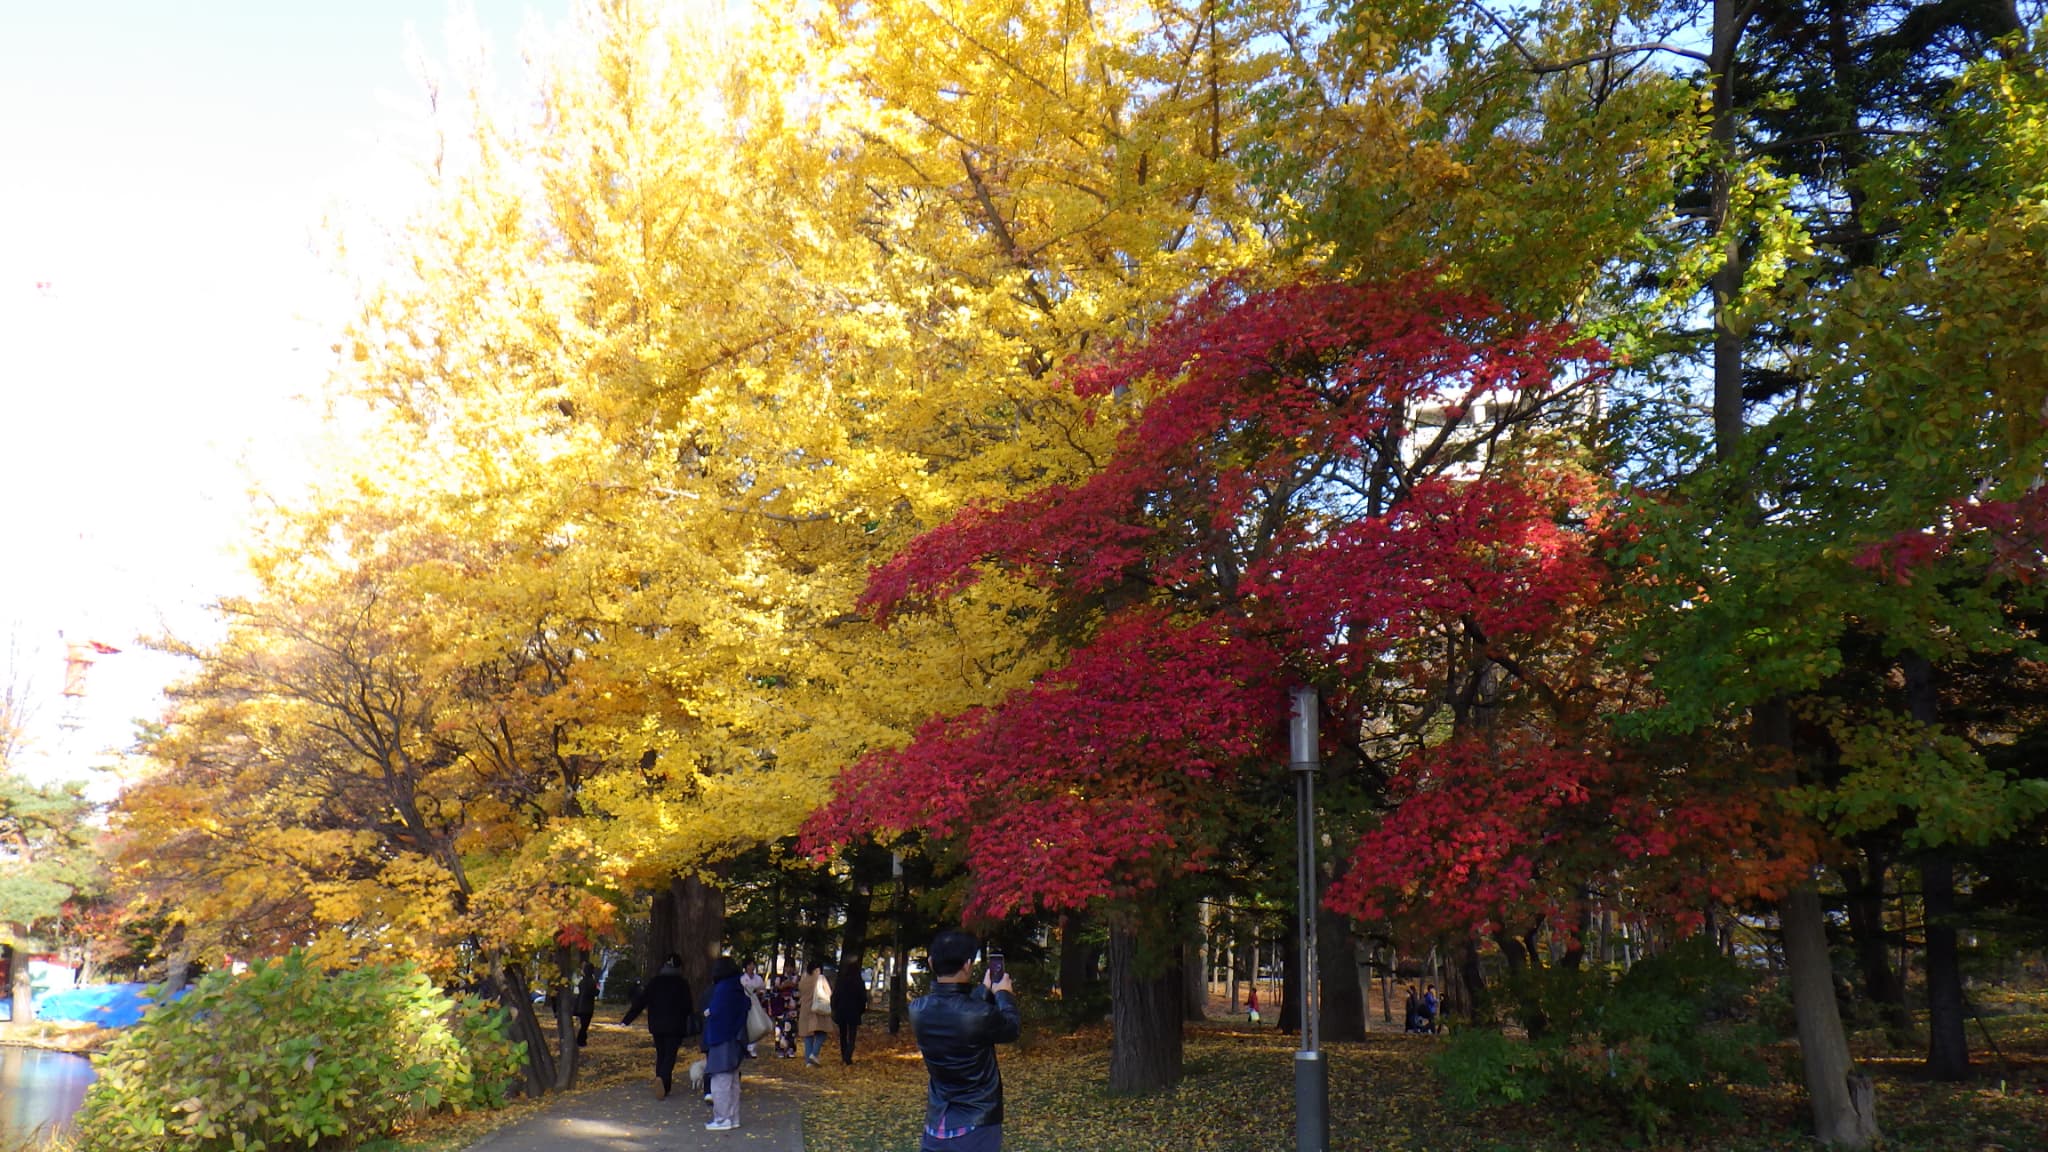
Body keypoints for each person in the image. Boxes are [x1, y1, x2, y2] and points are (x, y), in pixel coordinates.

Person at [910, 930, 1021, 1152]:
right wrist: (1003, 994)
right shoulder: (979, 1015)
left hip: (937, 1121)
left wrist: (985, 989)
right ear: (968, 965)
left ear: (931, 962)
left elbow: (956, 1009)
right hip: (976, 1123)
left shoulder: (917, 1010)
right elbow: (1011, 1028)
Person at [621, 953, 695, 1098]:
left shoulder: (655, 982)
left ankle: (663, 1085)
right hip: (675, 1026)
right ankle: (662, 1079)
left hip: (657, 1025)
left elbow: (641, 1002)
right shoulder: (682, 984)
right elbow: (687, 1006)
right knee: (670, 1056)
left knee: (661, 1054)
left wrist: (626, 1020)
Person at [701, 956, 751, 1131]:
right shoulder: (737, 986)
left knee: (720, 1080)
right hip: (735, 1039)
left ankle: (722, 1119)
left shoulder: (722, 989)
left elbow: (718, 1011)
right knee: (732, 1081)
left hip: (721, 1038)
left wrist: (709, 1013)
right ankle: (733, 1117)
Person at [832, 955, 870, 1065]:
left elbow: (835, 996)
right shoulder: (859, 982)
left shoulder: (841, 981)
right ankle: (848, 1054)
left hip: (841, 1010)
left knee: (842, 1034)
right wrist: (861, 1010)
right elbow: (863, 998)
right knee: (852, 1035)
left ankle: (844, 1055)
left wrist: (834, 1008)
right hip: (854, 1011)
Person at [797, 960, 832, 1067]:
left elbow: (800, 992)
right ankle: (814, 1054)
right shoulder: (820, 978)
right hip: (816, 1010)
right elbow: (829, 993)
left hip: (804, 1009)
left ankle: (808, 1061)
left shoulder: (803, 979)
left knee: (808, 1036)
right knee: (821, 1033)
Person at [575, 960, 600, 1047]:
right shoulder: (591, 982)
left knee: (583, 1024)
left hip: (580, 1006)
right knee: (584, 1026)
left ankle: (582, 1040)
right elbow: (595, 992)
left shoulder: (582, 982)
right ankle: (580, 1041)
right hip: (588, 1007)